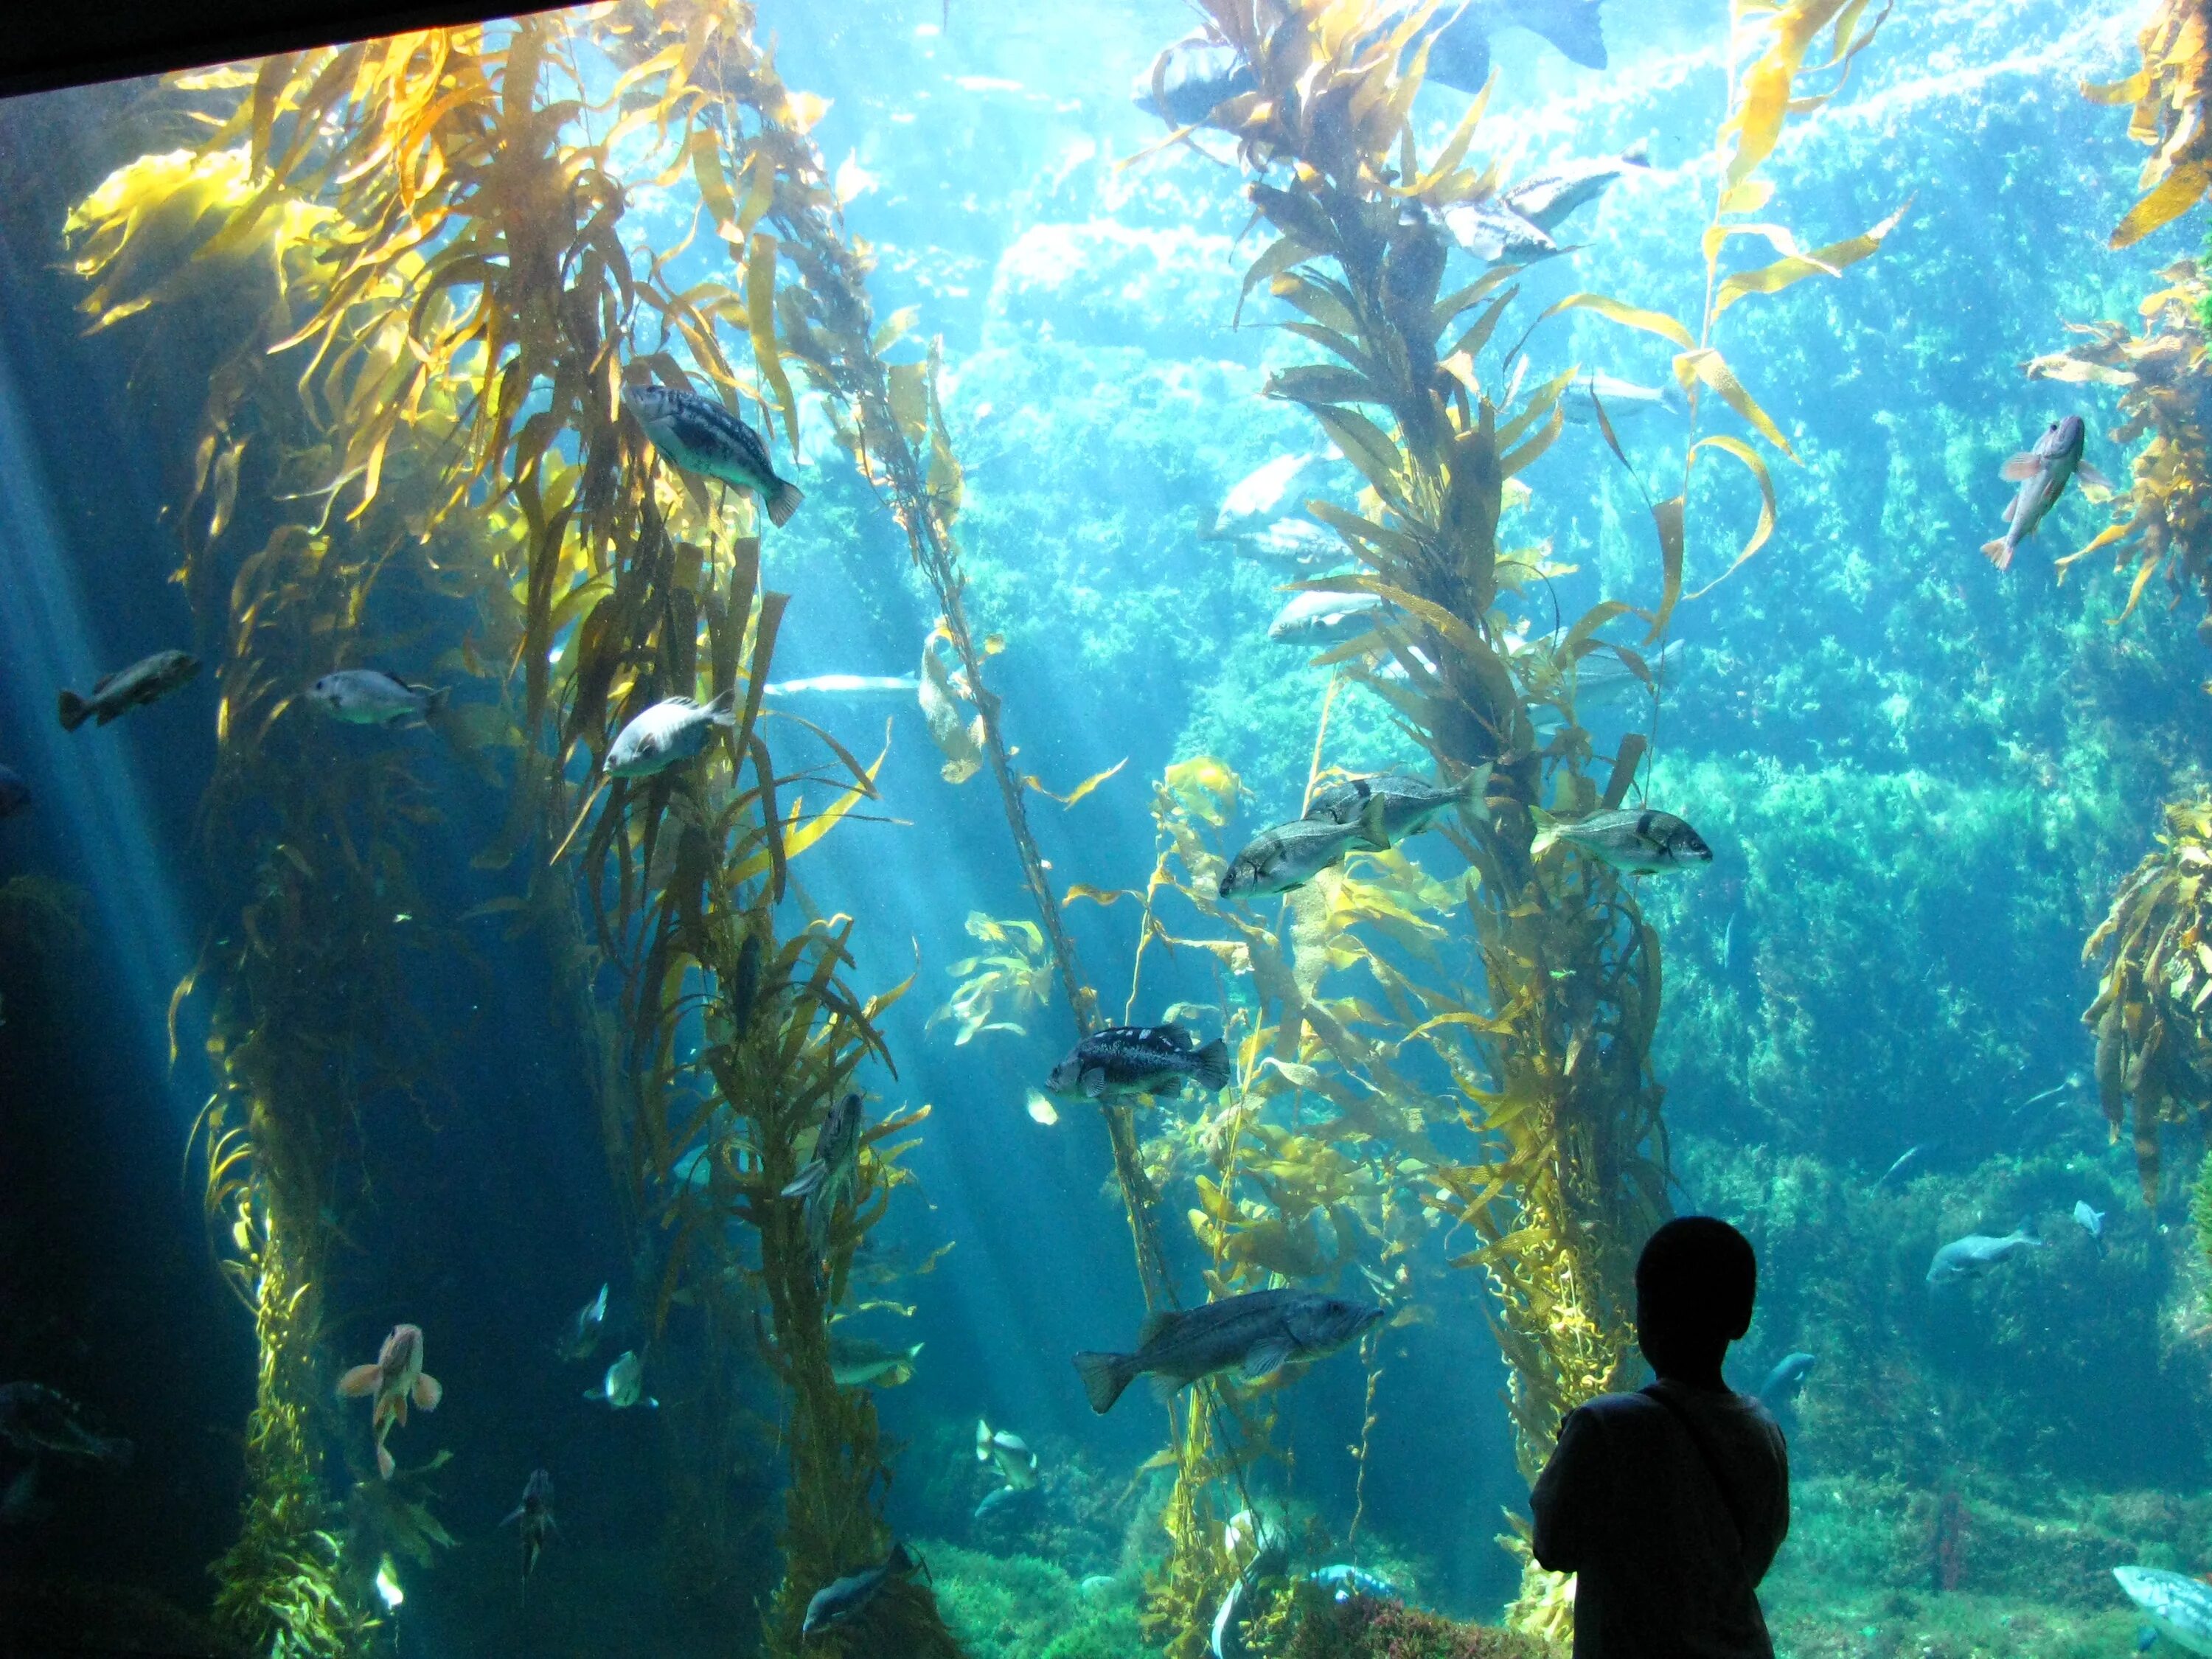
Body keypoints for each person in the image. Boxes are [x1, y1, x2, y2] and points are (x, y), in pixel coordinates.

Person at [1529, 1216, 1790, 1659]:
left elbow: (1553, 1546)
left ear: (1643, 1313)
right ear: (1742, 1320)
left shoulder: (1603, 1425)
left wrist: (1570, 1448)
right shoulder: (1763, 1429)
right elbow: (1753, 1561)